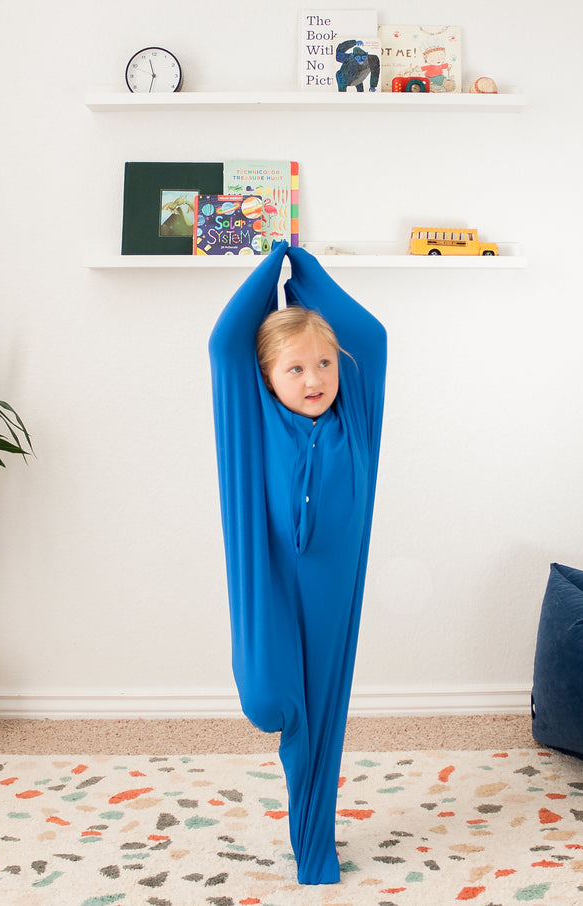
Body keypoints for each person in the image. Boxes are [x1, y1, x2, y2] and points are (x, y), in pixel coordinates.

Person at [208, 240, 387, 884]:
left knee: (321, 719)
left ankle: (316, 846)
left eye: (323, 364)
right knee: (268, 701)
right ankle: (308, 826)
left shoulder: (355, 416)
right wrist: (272, 267)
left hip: (333, 591)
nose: (314, 379)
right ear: (266, 378)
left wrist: (305, 273)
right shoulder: (251, 420)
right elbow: (226, 342)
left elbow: (372, 335)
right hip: (269, 580)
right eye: (295, 369)